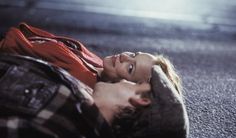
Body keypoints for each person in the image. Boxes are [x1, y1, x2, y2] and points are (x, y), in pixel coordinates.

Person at [0, 54, 189, 138]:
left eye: (136, 85)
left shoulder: (66, 134)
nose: (124, 82)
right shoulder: (81, 107)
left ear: (138, 101)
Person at [0, 23, 181, 96]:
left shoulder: (79, 81)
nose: (124, 57)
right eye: (133, 54)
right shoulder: (100, 64)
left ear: (126, 88)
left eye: (130, 68)